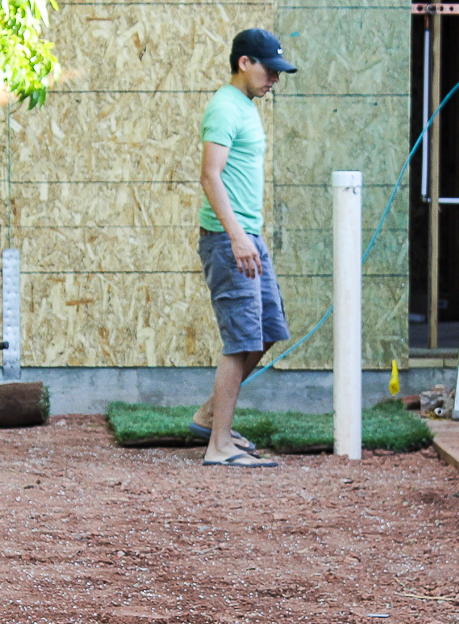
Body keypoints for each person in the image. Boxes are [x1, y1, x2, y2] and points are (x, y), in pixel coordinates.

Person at [192, 28, 296, 468]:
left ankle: (209, 417)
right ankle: (219, 447)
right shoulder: (224, 107)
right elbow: (210, 176)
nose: (274, 78)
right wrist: (236, 237)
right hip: (229, 238)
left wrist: (247, 236)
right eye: (269, 69)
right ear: (244, 63)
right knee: (240, 342)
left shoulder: (247, 107)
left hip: (248, 236)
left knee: (267, 331)